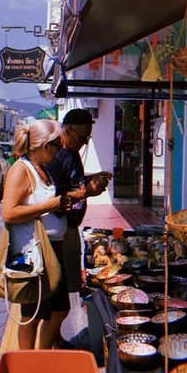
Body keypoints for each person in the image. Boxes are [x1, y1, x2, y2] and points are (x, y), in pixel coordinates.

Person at [1, 119, 71, 350]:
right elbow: (9, 213)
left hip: (51, 249)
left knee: (59, 309)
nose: (60, 151)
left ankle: (41, 356)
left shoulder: (42, 168)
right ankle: (28, 362)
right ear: (45, 146)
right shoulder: (20, 170)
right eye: (57, 146)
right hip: (34, 252)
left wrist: (57, 206)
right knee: (33, 314)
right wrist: (50, 206)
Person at [46, 109, 112, 298]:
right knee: (59, 296)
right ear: (66, 130)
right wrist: (87, 192)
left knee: (67, 293)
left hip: (70, 228)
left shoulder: (72, 153)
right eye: (82, 138)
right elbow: (54, 195)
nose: (84, 144)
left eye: (87, 140)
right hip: (60, 231)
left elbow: (74, 181)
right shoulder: (56, 156)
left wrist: (93, 178)